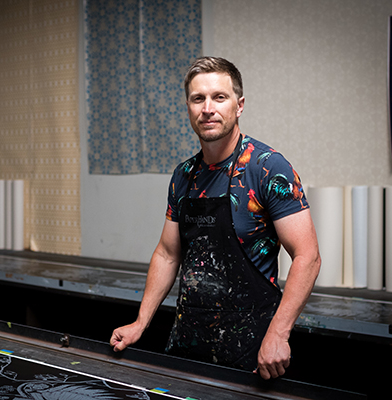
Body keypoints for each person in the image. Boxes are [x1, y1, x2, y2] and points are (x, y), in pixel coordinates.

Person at [109, 56, 321, 380]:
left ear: (239, 105)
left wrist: (278, 335)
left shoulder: (268, 168)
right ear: (189, 108)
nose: (208, 108)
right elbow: (167, 254)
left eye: (219, 97)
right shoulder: (184, 175)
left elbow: (307, 257)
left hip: (251, 351)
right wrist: (141, 322)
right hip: (187, 347)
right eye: (198, 99)